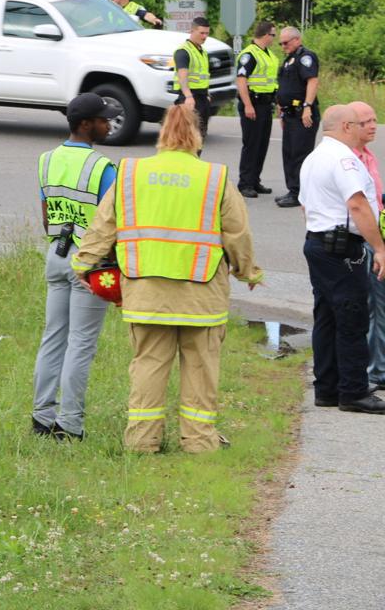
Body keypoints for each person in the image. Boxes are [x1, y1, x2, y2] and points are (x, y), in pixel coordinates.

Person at [73, 105, 264, 453]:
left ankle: (142, 441)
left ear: (161, 134)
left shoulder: (131, 173)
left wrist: (84, 264)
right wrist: (247, 271)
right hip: (201, 296)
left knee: (148, 366)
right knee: (201, 370)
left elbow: (103, 224)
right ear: (197, 136)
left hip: (146, 292)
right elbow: (237, 234)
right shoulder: (214, 177)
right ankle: (199, 442)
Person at [31, 93, 120, 441]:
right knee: (81, 344)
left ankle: (42, 417)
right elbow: (113, 222)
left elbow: (45, 216)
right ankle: (70, 425)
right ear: (86, 124)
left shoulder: (46, 160)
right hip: (90, 262)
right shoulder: (102, 167)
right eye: (103, 119)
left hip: (56, 252)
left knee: (53, 338)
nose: (108, 124)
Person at [299, 104, 385, 413]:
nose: (364, 128)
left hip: (319, 243)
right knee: (352, 316)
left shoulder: (314, 158)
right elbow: (358, 205)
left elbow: (305, 206)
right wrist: (379, 247)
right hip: (341, 249)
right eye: (359, 124)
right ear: (346, 126)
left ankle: (327, 388)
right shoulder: (343, 159)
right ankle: (353, 391)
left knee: (327, 316)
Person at [348, 102, 385, 391]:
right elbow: (358, 206)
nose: (373, 126)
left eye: (374, 120)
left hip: (376, 237)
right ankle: (376, 371)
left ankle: (377, 366)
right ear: (350, 126)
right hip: (365, 240)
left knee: (377, 304)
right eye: (366, 122)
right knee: (375, 305)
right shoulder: (349, 159)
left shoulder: (367, 156)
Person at [275, 26, 320, 208]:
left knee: (300, 155)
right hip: (290, 115)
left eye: (286, 43)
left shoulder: (306, 57)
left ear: (297, 40)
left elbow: (312, 81)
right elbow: (286, 86)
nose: (283, 46)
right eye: (280, 43)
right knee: (289, 154)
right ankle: (292, 190)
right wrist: (281, 107)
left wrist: (307, 107)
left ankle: (299, 193)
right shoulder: (289, 60)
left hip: (303, 115)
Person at [234, 21, 280, 198]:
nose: (274, 39)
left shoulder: (268, 55)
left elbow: (270, 82)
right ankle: (245, 183)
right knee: (251, 144)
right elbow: (241, 80)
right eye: (273, 35)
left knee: (262, 144)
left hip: (265, 104)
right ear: (265, 35)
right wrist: (247, 105)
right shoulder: (249, 54)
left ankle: (254, 180)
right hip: (252, 104)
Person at [173, 17, 213, 140]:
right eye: (201, 33)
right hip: (189, 99)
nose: (204, 36)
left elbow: (203, 76)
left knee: (200, 137)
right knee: (187, 138)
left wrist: (207, 93)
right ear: (192, 31)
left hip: (202, 97)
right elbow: (182, 75)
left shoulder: (203, 52)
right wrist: (188, 96)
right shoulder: (183, 51)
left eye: (207, 33)